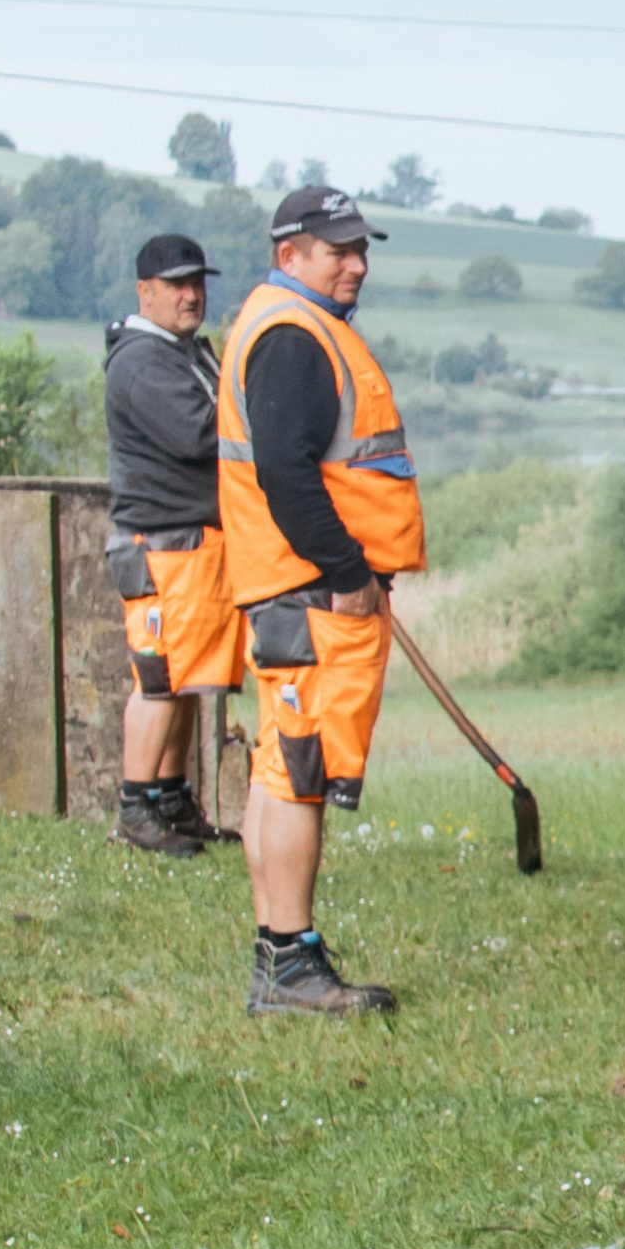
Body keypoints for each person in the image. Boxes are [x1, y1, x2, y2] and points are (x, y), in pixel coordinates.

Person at [209, 182, 421, 1017]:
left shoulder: (284, 324)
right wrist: (349, 572)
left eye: (362, 249)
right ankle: (292, 965)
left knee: (278, 767)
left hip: (285, 586)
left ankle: (280, 954)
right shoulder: (294, 337)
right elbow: (288, 476)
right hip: (311, 590)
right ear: (288, 253)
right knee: (302, 774)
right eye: (339, 250)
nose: (357, 264)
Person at [97, 231, 233, 854]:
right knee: (158, 680)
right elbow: (200, 435)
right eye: (178, 285)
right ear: (144, 292)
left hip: (189, 542)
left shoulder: (180, 352)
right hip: (162, 547)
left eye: (198, 283)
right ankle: (134, 808)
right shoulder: (141, 362)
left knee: (181, 679)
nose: (191, 295)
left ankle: (171, 800)